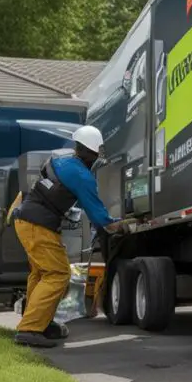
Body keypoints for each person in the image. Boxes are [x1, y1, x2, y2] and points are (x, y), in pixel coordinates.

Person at [8, 125, 125, 348]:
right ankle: (30, 328)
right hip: (37, 225)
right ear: (90, 152)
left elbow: (67, 194)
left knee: (41, 274)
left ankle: (39, 322)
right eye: (97, 153)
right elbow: (99, 216)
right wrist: (118, 225)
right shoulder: (82, 176)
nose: (97, 158)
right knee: (57, 274)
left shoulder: (62, 161)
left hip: (27, 220)